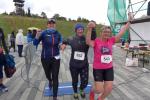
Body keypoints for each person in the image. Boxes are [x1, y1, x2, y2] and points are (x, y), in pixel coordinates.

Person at [86, 14, 131, 100]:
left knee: (108, 89)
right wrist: (90, 28)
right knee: (99, 89)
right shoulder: (97, 41)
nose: (107, 33)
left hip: (109, 68)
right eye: (105, 32)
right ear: (101, 33)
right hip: (98, 68)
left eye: (108, 32)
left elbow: (122, 31)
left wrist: (129, 21)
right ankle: (92, 91)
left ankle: (100, 99)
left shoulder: (111, 40)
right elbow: (88, 41)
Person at [33, 18, 63, 100]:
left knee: (55, 76)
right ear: (47, 25)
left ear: (55, 25)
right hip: (45, 58)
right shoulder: (43, 33)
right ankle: (50, 80)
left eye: (53, 23)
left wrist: (61, 45)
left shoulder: (58, 33)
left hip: (56, 58)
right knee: (47, 74)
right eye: (49, 23)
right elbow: (34, 43)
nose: (51, 25)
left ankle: (55, 96)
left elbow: (61, 42)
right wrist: (37, 36)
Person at [62, 23, 91, 99]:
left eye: (81, 29)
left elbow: (93, 38)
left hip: (84, 64)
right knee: (74, 80)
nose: (80, 31)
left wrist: (91, 28)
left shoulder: (86, 39)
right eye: (79, 29)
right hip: (74, 64)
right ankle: (75, 92)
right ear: (76, 31)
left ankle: (81, 89)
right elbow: (65, 40)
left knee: (85, 81)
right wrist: (63, 44)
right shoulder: (72, 38)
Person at [0, 27, 9, 93]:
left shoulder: (0, 30)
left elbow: (3, 41)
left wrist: (7, 51)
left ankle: (1, 84)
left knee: (0, 70)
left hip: (0, 54)